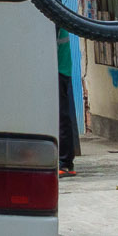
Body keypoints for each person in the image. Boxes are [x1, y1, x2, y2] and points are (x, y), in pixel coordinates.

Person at [55, 24, 79, 178]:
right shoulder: (56, 20)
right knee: (59, 116)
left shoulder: (54, 23)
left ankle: (65, 163)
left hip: (58, 71)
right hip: (60, 70)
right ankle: (64, 162)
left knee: (60, 116)